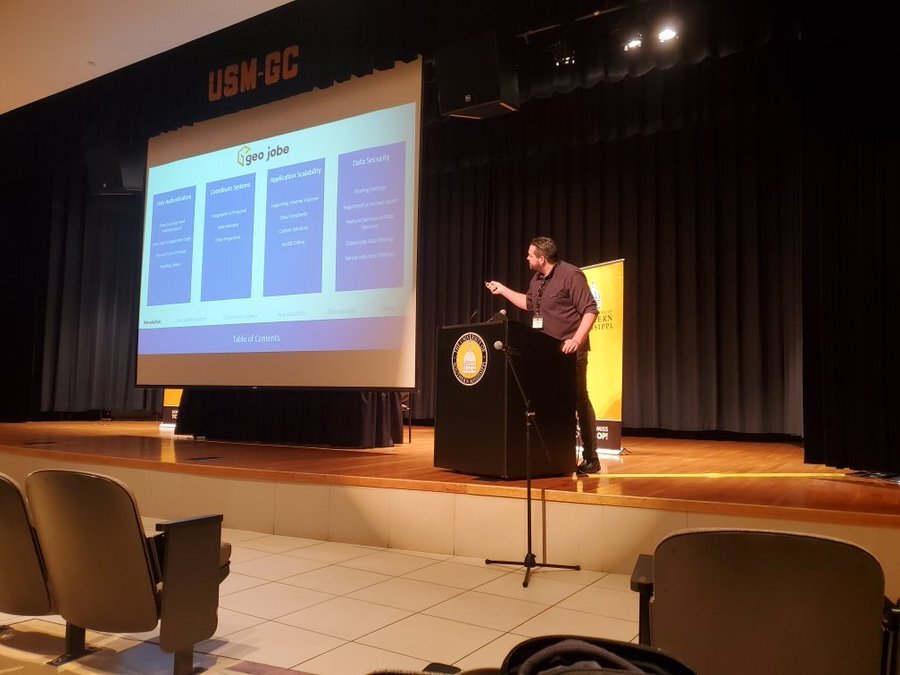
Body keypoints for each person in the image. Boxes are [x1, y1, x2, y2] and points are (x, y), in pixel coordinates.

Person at [486, 236, 600, 475]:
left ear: (542, 258)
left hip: (570, 351)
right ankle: (555, 455)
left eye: (530, 254)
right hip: (545, 353)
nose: (526, 258)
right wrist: (503, 290)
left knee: (579, 399)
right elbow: (529, 305)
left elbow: (590, 310)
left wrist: (576, 340)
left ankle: (591, 457)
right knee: (550, 402)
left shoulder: (571, 275)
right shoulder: (537, 280)